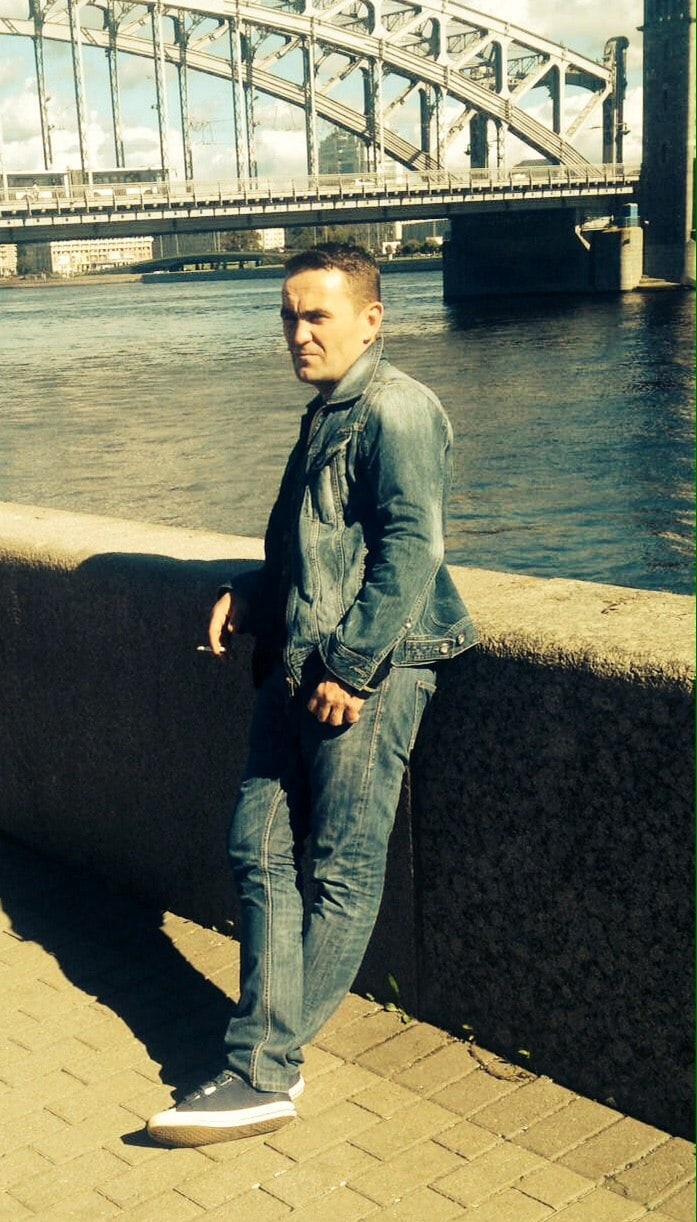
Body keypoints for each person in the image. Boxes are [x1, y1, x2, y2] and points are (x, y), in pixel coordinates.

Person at [147, 242, 477, 1147]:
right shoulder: (329, 409)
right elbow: (319, 549)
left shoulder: (397, 408)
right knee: (255, 848)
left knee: (340, 872)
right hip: (297, 662)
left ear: (370, 320)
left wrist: (352, 669)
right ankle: (266, 1054)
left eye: (316, 316)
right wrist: (252, 595)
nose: (297, 333)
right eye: (288, 316)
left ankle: (262, 1070)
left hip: (367, 671)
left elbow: (413, 550)